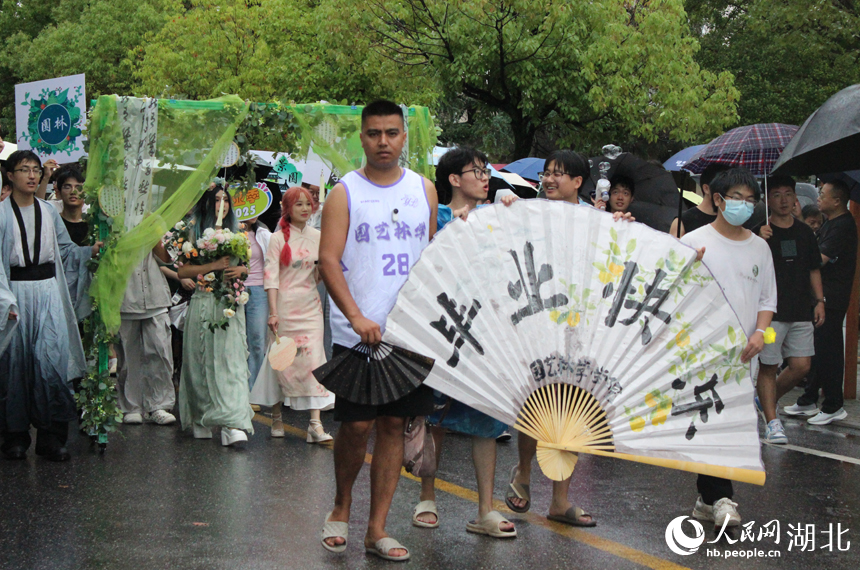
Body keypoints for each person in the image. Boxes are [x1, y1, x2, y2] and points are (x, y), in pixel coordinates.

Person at [318, 100, 438, 562]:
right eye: (374, 133)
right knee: (357, 424)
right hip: (359, 334)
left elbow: (430, 259)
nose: (383, 141)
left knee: (394, 424)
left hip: (409, 335)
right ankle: (342, 505)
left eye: (391, 133)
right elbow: (328, 260)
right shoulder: (344, 193)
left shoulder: (423, 190)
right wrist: (355, 317)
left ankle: (377, 529)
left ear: (403, 136)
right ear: (362, 137)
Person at [506, 150, 632, 527]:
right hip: (536, 320)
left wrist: (624, 225)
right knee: (534, 403)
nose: (549, 179)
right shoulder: (527, 212)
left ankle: (560, 500)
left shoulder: (599, 219)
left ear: (578, 182)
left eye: (558, 174)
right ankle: (524, 473)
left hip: (581, 326)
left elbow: (620, 256)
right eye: (546, 173)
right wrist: (506, 208)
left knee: (572, 409)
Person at [412, 147, 516, 538]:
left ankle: (486, 509)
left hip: (487, 332)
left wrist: (510, 209)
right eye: (476, 171)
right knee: (436, 415)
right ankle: (427, 496)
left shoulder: (497, 216)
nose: (485, 177)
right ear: (454, 179)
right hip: (443, 330)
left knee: (486, 419)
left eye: (486, 171)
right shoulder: (434, 218)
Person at [680, 167, 776, 528]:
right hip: (702, 352)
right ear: (718, 199)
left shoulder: (760, 248)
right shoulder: (695, 242)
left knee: (730, 425)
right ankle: (722, 499)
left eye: (751, 200)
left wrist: (760, 332)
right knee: (714, 425)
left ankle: (707, 500)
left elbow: (767, 298)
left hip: (744, 355)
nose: (744, 205)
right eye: (737, 198)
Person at [0, 150, 99, 461]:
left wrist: (92, 251)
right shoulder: (1, 214)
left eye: (35, 170)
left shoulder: (48, 211)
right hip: (15, 292)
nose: (31, 175)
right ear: (10, 175)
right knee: (15, 367)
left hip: (48, 291)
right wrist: (5, 301)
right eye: (24, 170)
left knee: (52, 363)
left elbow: (67, 253)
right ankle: (15, 437)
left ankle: (51, 438)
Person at [253, 187, 334, 441]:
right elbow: (271, 276)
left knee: (314, 361)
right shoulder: (277, 239)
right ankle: (277, 416)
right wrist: (273, 311)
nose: (305, 209)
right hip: (285, 308)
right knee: (282, 360)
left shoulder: (319, 236)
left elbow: (319, 276)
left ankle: (315, 424)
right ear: (287, 209)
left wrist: (322, 269)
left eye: (308, 204)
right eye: (298, 204)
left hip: (311, 307)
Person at [177, 184, 254, 447]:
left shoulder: (238, 233)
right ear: (208, 204)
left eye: (226, 200)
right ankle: (201, 417)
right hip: (202, 300)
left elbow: (247, 268)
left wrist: (239, 271)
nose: (222, 204)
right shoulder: (192, 231)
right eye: (217, 199)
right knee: (199, 360)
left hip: (229, 304)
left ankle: (233, 422)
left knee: (230, 361)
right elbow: (182, 272)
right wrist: (212, 266)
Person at [754, 175, 824, 444]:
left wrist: (820, 301)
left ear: (795, 198)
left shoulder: (805, 231)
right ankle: (773, 422)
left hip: (800, 312)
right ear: (767, 199)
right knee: (769, 365)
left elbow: (813, 268)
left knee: (801, 366)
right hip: (770, 315)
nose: (783, 200)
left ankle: (763, 400)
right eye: (776, 194)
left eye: (787, 194)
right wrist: (758, 238)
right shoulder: (759, 232)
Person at [784, 179, 857, 425]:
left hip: (831, 297)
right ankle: (808, 399)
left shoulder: (843, 225)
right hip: (820, 295)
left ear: (837, 200)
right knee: (816, 348)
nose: (818, 198)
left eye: (823, 194)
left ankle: (834, 404)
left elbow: (819, 259)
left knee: (829, 350)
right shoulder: (830, 223)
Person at [115, 242, 177, 426]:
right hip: (125, 293)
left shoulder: (155, 219)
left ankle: (159, 405)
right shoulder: (113, 217)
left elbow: (167, 258)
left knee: (160, 350)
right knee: (128, 354)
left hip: (154, 293)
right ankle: (131, 406)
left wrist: (153, 232)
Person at [242, 214, 271, 391]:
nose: (253, 214)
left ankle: (255, 389)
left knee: (257, 340)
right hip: (234, 289)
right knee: (236, 339)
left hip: (259, 290)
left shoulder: (264, 233)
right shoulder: (226, 232)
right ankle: (238, 387)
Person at [670, 163, 730, 237]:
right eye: (724, 187)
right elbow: (674, 247)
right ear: (706, 188)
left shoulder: (734, 220)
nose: (728, 193)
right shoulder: (682, 222)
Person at [54, 165, 88, 247]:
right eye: (67, 187)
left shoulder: (92, 224)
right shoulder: (53, 223)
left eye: (78, 187)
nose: (73, 192)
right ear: (59, 192)